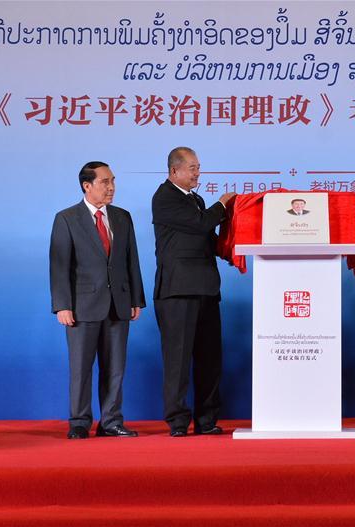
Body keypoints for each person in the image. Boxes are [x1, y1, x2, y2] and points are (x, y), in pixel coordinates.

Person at [50, 162, 146, 439]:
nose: (112, 187)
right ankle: (79, 422)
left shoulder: (122, 217)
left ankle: (111, 421)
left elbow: (131, 261)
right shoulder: (67, 218)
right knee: (81, 369)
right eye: (105, 182)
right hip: (81, 307)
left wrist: (135, 299)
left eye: (113, 181)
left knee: (115, 368)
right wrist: (62, 305)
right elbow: (59, 266)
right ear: (87, 185)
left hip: (119, 303)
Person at [152, 147, 236, 437]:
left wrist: (232, 252)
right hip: (178, 291)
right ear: (175, 171)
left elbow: (207, 239)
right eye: (192, 168)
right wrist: (223, 206)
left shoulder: (196, 199)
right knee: (177, 359)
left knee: (210, 357)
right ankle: (177, 421)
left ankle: (207, 419)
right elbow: (200, 224)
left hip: (206, 289)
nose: (197, 173)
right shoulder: (164, 198)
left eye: (198, 167)